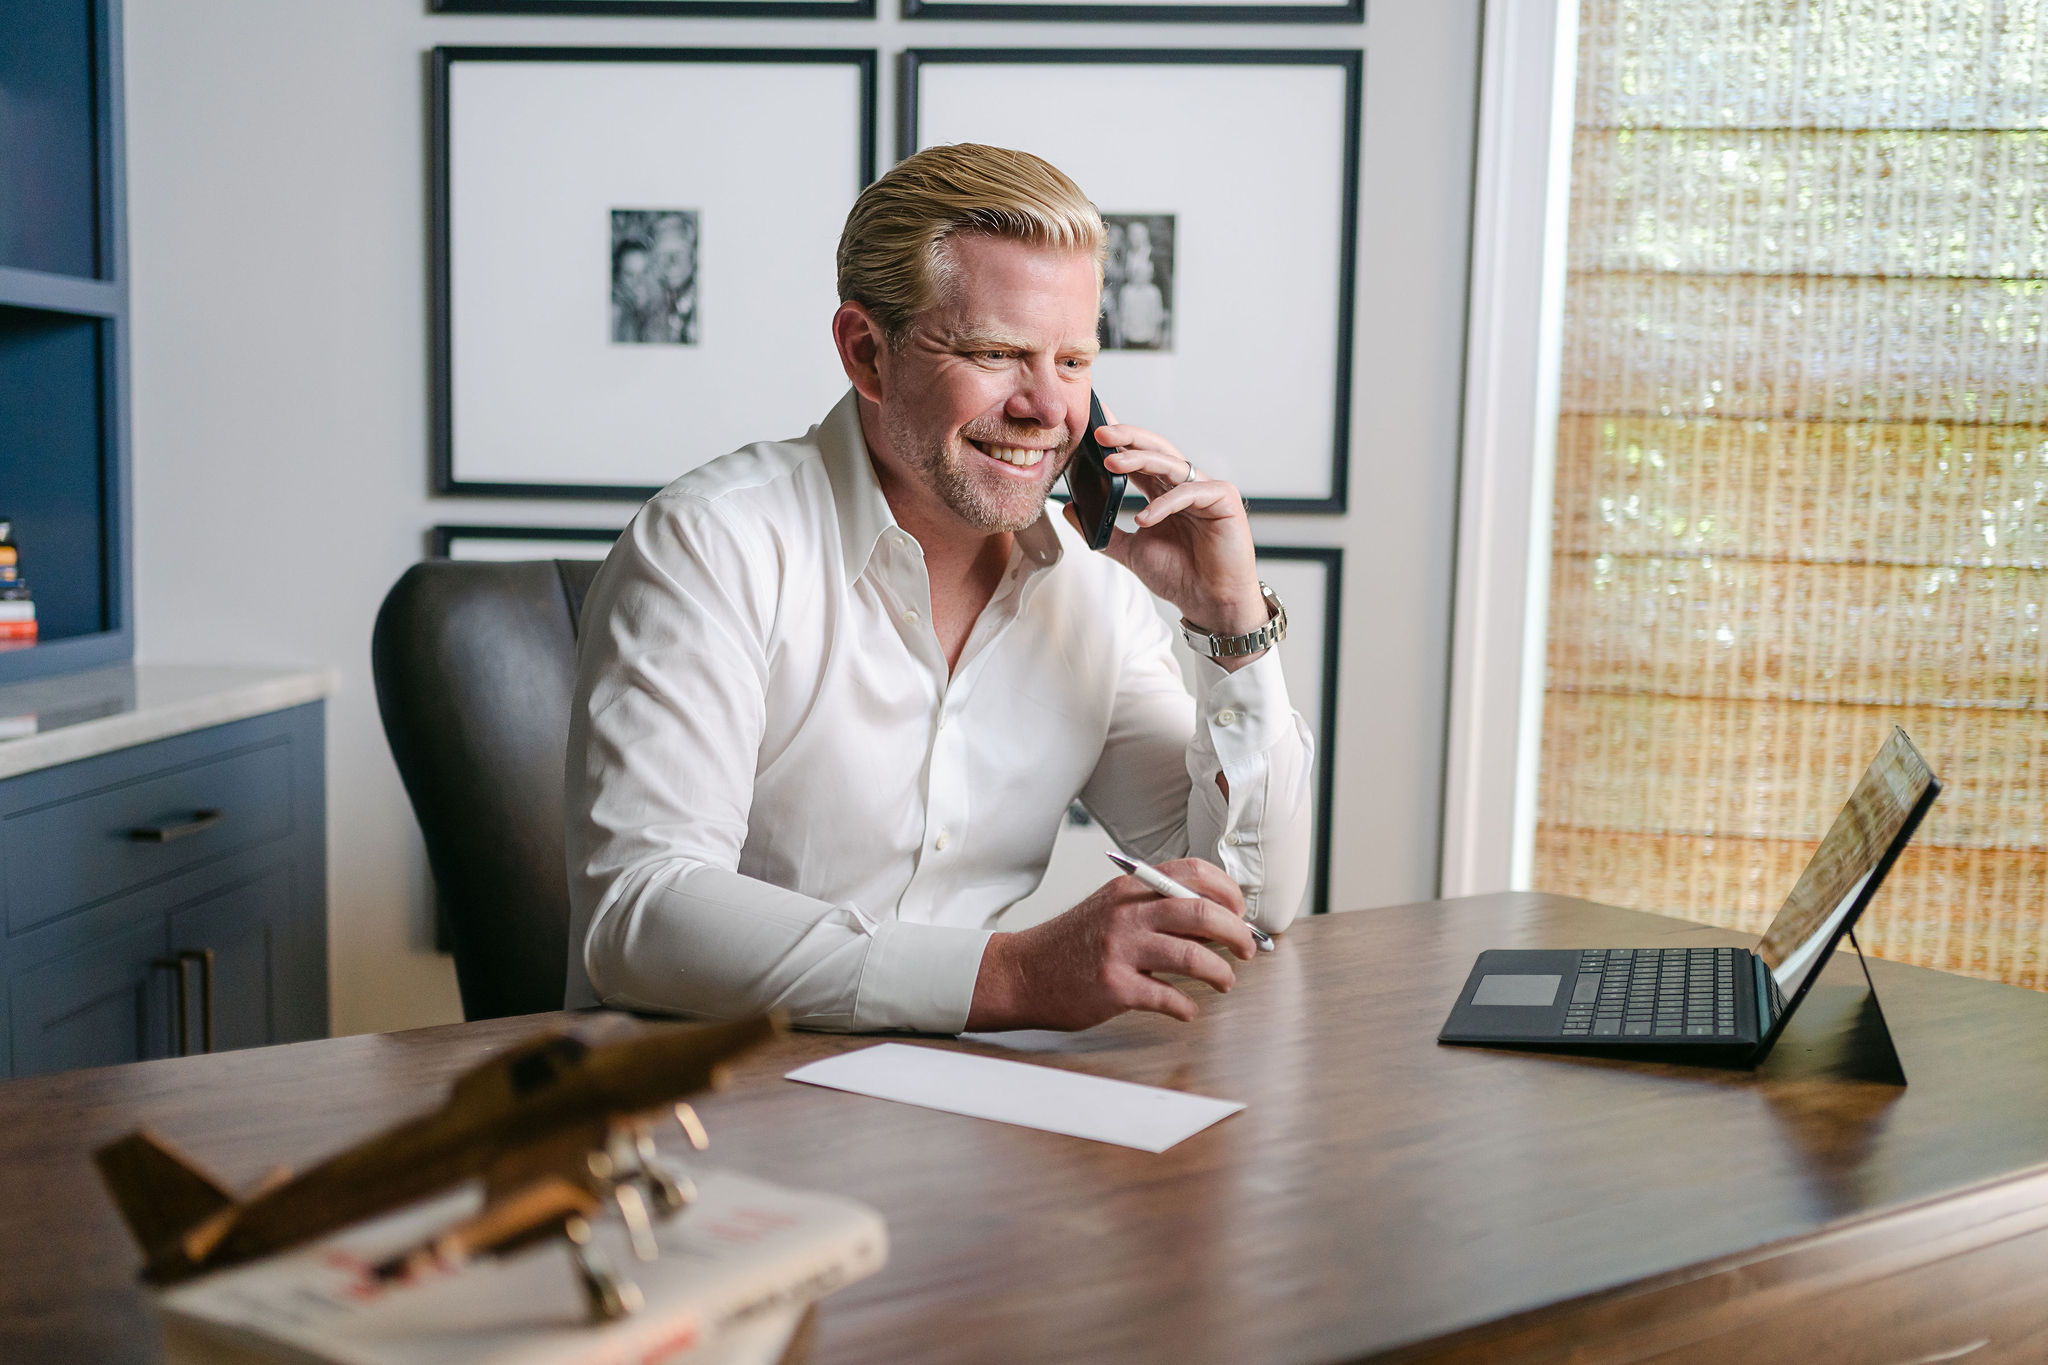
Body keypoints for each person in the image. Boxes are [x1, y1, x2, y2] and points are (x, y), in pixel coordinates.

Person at [565, 143, 1314, 1033]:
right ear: (866, 354)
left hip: (958, 1113)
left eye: (1074, 361)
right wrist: (1011, 976)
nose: (1049, 408)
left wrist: (1229, 622)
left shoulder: (1094, 592)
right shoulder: (712, 544)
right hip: (706, 1108)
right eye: (998, 352)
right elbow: (641, 919)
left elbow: (1245, 901)